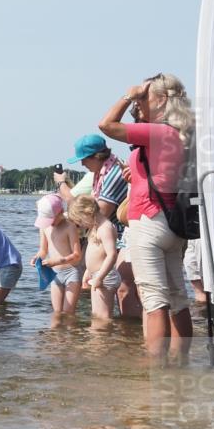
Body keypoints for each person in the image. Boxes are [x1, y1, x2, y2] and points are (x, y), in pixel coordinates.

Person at [99, 73, 195, 364]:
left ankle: (154, 370)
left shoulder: (158, 132)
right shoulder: (184, 134)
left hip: (148, 220)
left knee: (154, 300)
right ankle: (180, 364)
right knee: (178, 297)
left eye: (145, 97)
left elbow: (106, 125)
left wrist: (128, 94)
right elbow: (165, 175)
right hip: (173, 224)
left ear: (162, 100)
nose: (138, 103)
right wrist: (137, 174)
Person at [54, 134, 141, 319]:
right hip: (112, 241)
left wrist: (61, 183)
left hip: (122, 238)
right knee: (119, 293)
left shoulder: (113, 174)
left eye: (84, 159)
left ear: (96, 156)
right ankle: (128, 331)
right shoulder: (102, 173)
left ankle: (132, 328)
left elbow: (100, 211)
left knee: (125, 288)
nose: (82, 164)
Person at [67, 195, 120, 319]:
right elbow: (94, 254)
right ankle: (98, 332)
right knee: (96, 315)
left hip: (105, 277)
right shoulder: (95, 227)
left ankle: (103, 332)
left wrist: (100, 277)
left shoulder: (105, 228)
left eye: (80, 221)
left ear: (88, 212)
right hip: (97, 275)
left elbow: (112, 255)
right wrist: (88, 272)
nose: (80, 225)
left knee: (103, 317)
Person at [31, 194, 83, 314]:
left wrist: (58, 261)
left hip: (71, 272)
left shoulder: (70, 227)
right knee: (57, 313)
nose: (50, 223)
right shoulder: (44, 227)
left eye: (51, 219)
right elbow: (43, 250)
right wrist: (37, 258)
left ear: (61, 212)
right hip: (55, 274)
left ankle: (71, 326)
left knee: (68, 312)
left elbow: (77, 255)